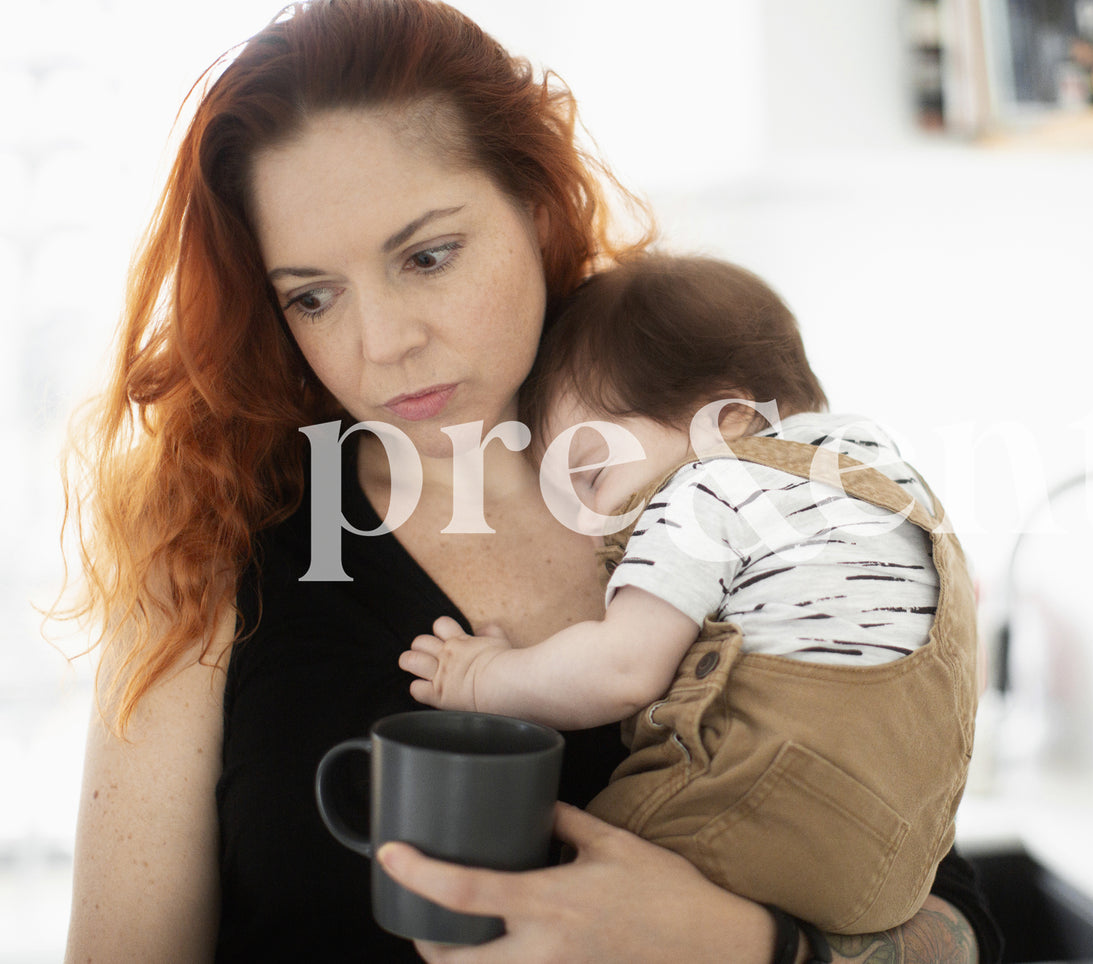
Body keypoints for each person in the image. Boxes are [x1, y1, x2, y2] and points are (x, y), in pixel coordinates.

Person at [57, 1, 1001, 961]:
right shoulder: (208, 544)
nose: (382, 344)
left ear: (539, 209)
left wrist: (736, 946)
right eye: (312, 296)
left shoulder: (706, 464)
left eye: (427, 256)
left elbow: (948, 918)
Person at [401, 254, 979, 935]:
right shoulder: (881, 474)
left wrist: (484, 679)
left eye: (590, 476)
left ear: (726, 418)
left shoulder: (708, 486)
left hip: (754, 812)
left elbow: (621, 669)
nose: (590, 528)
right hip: (896, 873)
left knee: (560, 902)